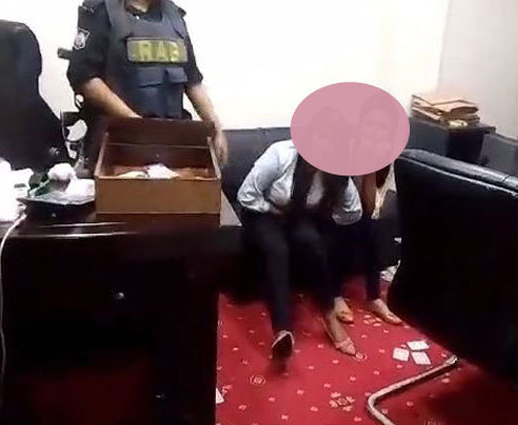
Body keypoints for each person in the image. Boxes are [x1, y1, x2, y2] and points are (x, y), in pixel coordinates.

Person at [237, 140, 362, 359]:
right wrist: (272, 209)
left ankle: (329, 317)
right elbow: (246, 194)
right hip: (262, 211)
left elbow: (353, 211)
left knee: (311, 242)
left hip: (296, 216)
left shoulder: (337, 172)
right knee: (277, 249)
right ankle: (282, 330)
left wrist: (323, 218)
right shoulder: (281, 154)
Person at [66, 0, 228, 169]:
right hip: (117, 149)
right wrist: (137, 124)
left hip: (171, 146)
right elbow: (84, 78)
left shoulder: (174, 16)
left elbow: (192, 80)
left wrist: (216, 128)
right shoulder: (102, 10)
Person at [331, 168, 402, 325]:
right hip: (328, 211)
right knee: (336, 232)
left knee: (371, 229)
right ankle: (334, 295)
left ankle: (374, 297)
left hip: (352, 214)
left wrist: (369, 173)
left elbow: (368, 209)